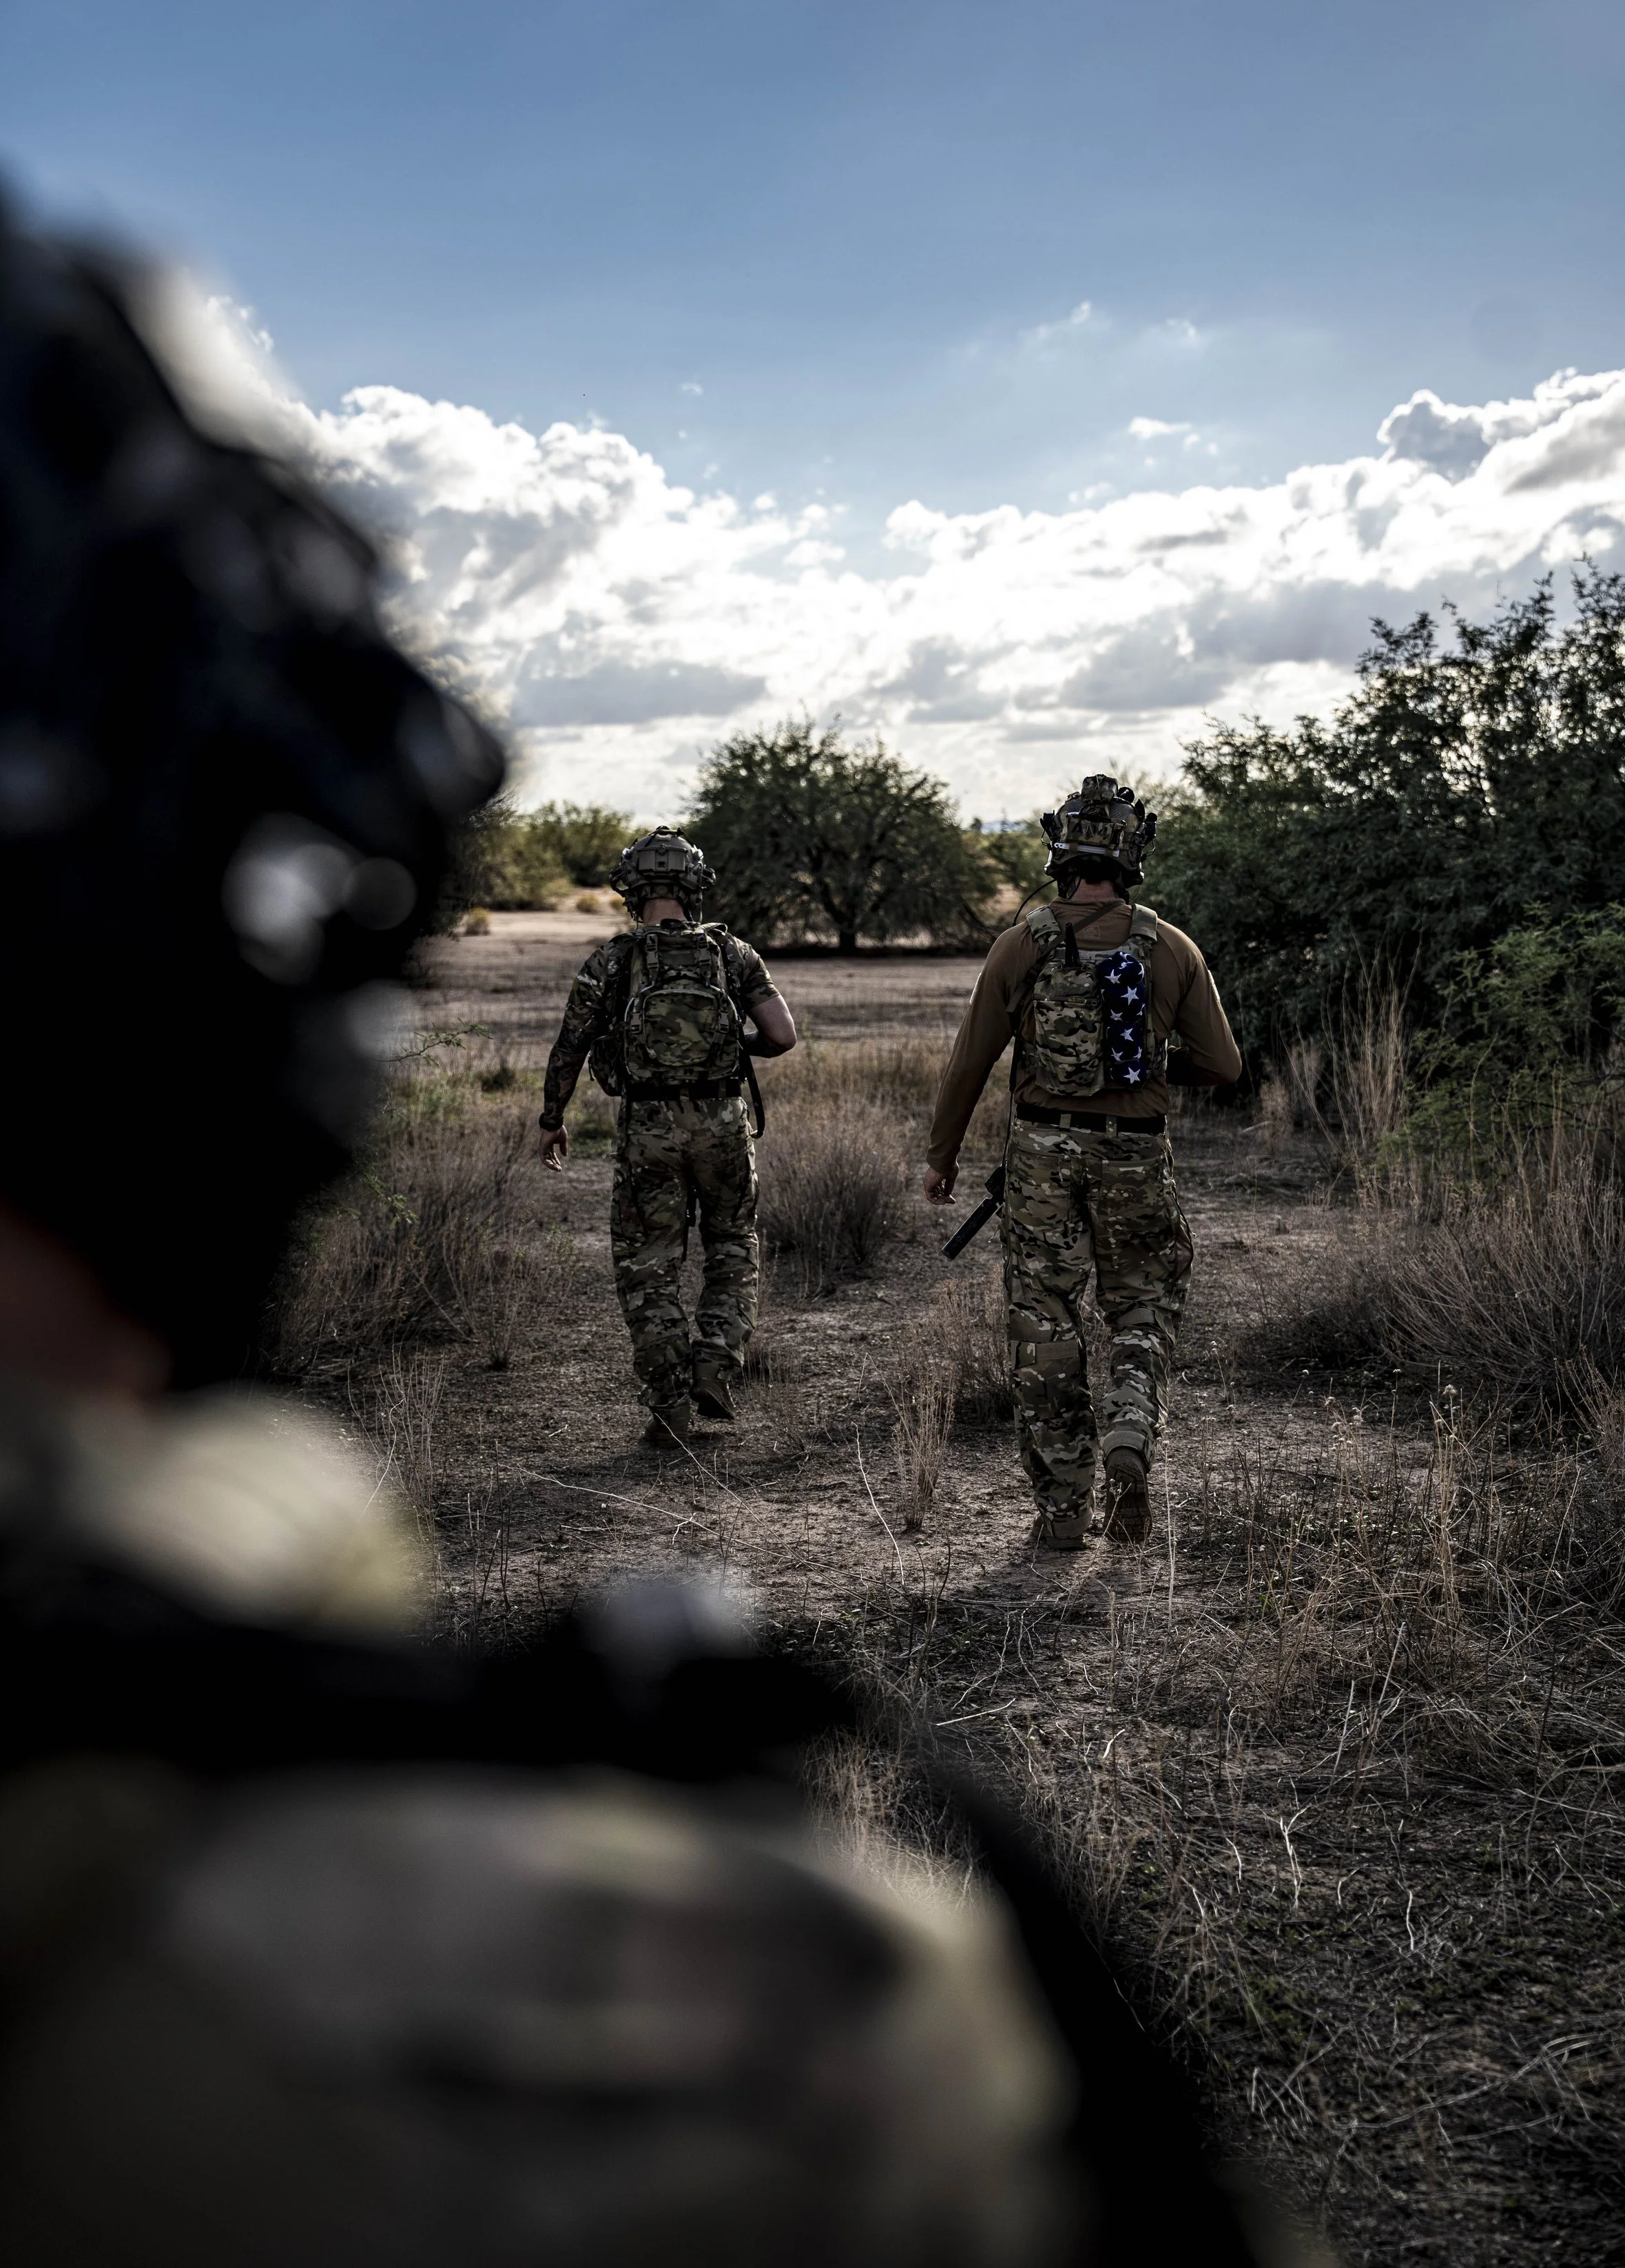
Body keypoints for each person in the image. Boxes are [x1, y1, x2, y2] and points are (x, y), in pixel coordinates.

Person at [0, 198, 1215, 2268]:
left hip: (719, 1134)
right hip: (907, 1142)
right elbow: (1149, 1045)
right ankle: (1076, 1480)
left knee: (766, 1290)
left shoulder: (976, 945)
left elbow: (834, 1061)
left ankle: (748, 1417)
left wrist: (728, 1130)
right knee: (1025, 1311)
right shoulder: (766, 2058)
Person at [924, 776, 1242, 1548]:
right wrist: (1153, 1073)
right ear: (1134, 855)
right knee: (1141, 1303)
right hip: (1137, 1153)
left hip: (1039, 1150)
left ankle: (1062, 1512)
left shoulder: (1021, 943)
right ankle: (1130, 1421)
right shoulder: (1171, 947)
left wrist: (941, 1157)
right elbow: (1225, 1066)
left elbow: (970, 1062)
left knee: (1044, 1322)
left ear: (1059, 851)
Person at [538, 827, 797, 1448]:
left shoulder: (612, 960)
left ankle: (669, 1407)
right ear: (695, 886)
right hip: (722, 1124)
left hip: (648, 1129)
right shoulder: (733, 954)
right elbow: (783, 1035)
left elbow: (570, 1045)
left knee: (648, 1267)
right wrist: (740, 1046)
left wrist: (552, 1119)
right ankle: (714, 1364)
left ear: (632, 889)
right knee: (733, 1246)